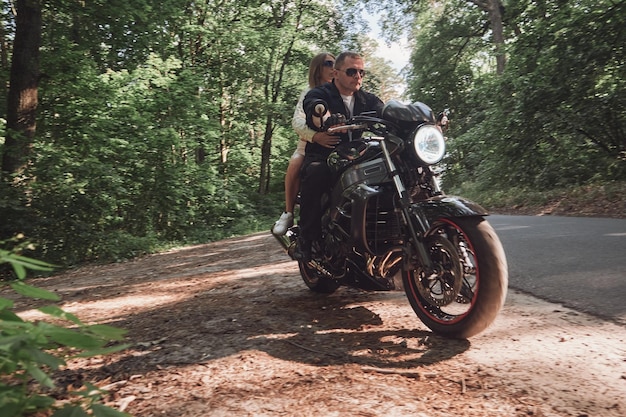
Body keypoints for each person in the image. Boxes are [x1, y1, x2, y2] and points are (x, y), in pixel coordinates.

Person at [295, 51, 384, 261]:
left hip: (354, 154)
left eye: (362, 72)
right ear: (335, 73)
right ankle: (307, 239)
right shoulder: (321, 93)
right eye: (352, 71)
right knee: (317, 173)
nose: (358, 76)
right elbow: (314, 106)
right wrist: (324, 116)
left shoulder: (365, 99)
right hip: (324, 154)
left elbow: (384, 109)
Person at [272, 52, 338, 235]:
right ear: (318, 69)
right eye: (328, 64)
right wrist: (315, 136)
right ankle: (288, 212)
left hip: (340, 145)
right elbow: (297, 121)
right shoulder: (309, 92)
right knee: (295, 163)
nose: (333, 67)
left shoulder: (342, 92)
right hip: (310, 145)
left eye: (336, 64)